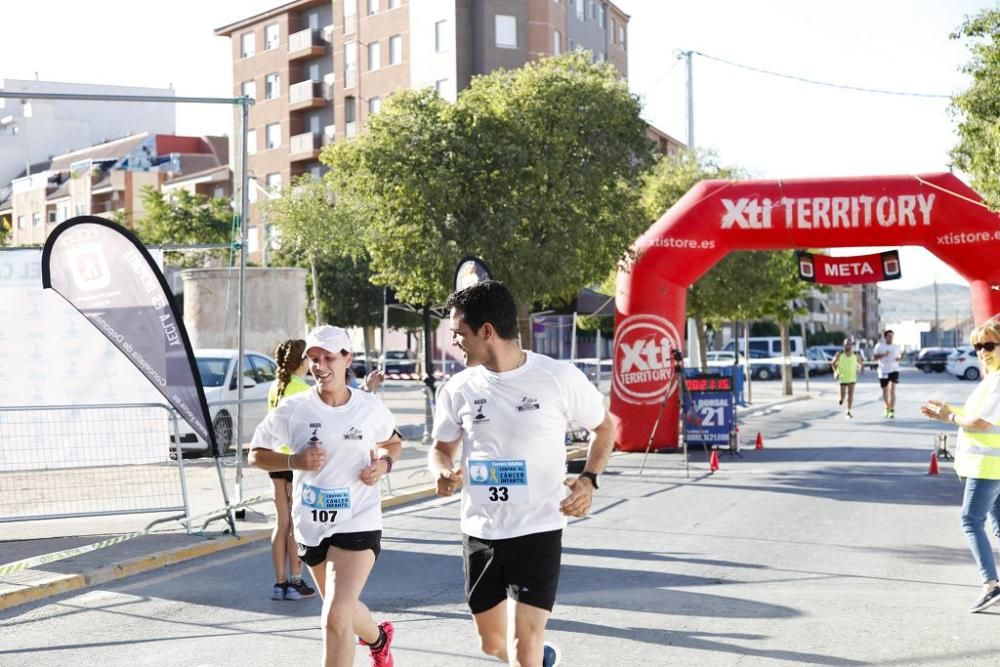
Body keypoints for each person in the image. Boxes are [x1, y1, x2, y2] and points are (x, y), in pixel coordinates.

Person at [428, 280, 615, 667]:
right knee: (491, 644)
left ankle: (530, 656)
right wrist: (443, 471)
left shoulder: (557, 377)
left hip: (538, 529)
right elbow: (441, 448)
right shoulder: (459, 388)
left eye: (459, 334)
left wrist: (589, 479)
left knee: (523, 648)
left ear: (487, 331)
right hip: (480, 532)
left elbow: (605, 427)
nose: (454, 342)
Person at [250, 325, 402, 666]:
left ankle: (375, 641)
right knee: (342, 611)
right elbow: (255, 454)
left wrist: (385, 464)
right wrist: (294, 461)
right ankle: (379, 638)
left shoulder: (369, 407)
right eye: (314, 359)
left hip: (358, 520)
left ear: (347, 359)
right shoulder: (295, 409)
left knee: (334, 616)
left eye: (328, 358)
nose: (320, 366)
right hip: (312, 526)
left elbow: (393, 442)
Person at [921, 319, 1000, 613]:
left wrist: (949, 419)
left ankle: (991, 585)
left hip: (987, 467)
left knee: (970, 520)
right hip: (990, 465)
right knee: (998, 525)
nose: (982, 352)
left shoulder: (998, 380)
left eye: (989, 345)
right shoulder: (991, 378)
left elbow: (981, 422)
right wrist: (948, 411)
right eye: (978, 346)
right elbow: (975, 414)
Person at [265, 338, 317, 601]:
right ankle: (296, 580)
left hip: (274, 459)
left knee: (281, 522)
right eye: (309, 358)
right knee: (296, 523)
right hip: (293, 461)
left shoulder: (275, 386)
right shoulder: (301, 388)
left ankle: (280, 583)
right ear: (301, 361)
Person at [873, 329, 903, 418]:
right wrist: (883, 355)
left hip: (894, 370)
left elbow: (900, 355)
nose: (891, 337)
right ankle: (887, 407)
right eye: (889, 336)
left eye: (892, 336)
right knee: (885, 391)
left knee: (892, 390)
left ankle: (892, 410)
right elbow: (874, 357)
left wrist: (899, 358)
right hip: (883, 370)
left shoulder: (896, 346)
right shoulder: (879, 346)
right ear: (885, 337)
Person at [830, 338, 863, 419]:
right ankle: (841, 399)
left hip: (852, 378)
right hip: (842, 378)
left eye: (849, 344)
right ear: (843, 345)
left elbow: (861, 363)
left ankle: (848, 411)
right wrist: (835, 372)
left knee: (851, 395)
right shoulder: (839, 354)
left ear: (852, 345)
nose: (847, 346)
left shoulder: (856, 355)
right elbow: (832, 363)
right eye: (846, 344)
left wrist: (861, 368)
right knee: (843, 396)